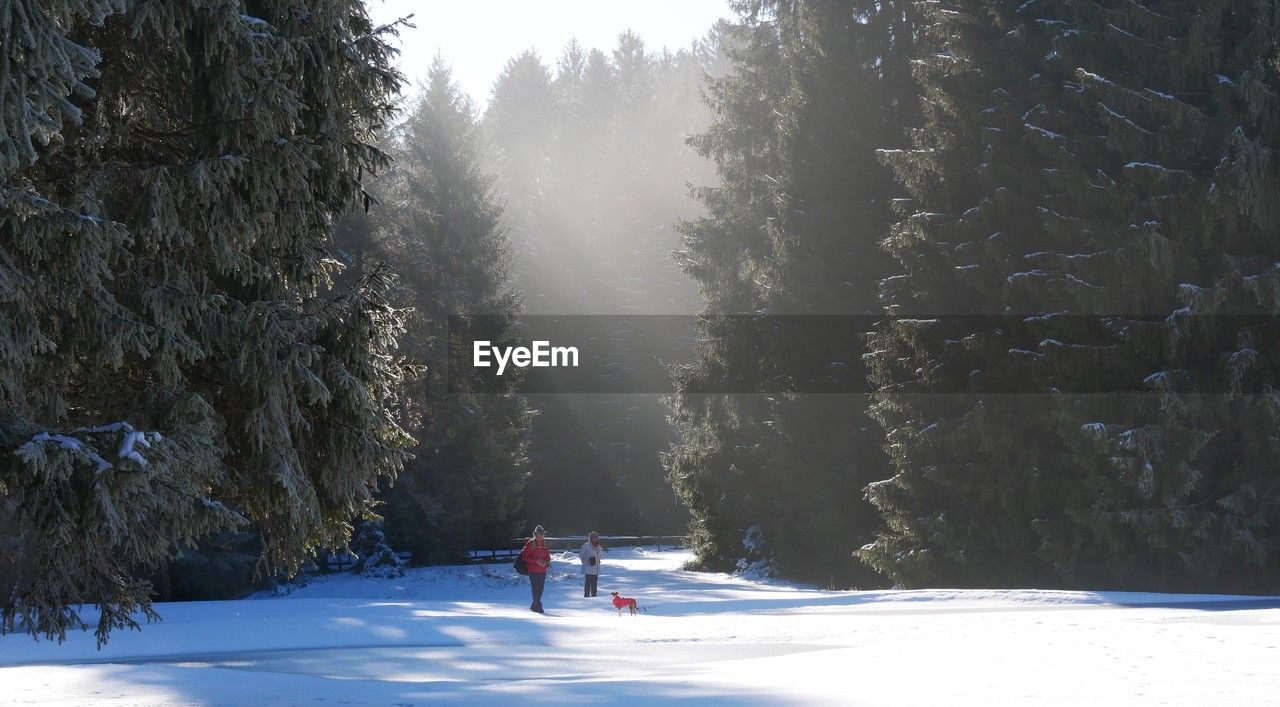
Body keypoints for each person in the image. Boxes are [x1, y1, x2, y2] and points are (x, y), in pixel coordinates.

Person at [520, 525, 552, 613]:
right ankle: (538, 606)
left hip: (542, 570)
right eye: (540, 533)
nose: (542, 535)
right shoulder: (531, 543)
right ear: (535, 534)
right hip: (533, 570)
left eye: (543, 534)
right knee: (535, 588)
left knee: (540, 588)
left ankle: (534, 605)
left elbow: (548, 556)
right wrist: (536, 561)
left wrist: (546, 562)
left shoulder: (545, 544)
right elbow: (525, 557)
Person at [579, 531, 603, 597]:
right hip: (588, 567)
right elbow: (581, 555)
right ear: (590, 538)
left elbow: (600, 556)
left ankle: (594, 596)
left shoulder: (599, 547)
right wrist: (586, 560)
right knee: (588, 583)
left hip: (596, 568)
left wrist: (597, 560)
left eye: (596, 537)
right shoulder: (586, 545)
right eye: (594, 537)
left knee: (594, 584)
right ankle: (586, 596)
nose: (595, 539)